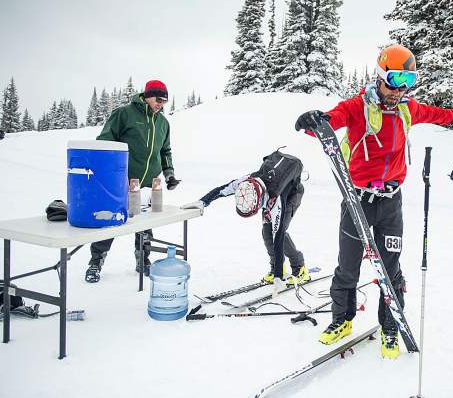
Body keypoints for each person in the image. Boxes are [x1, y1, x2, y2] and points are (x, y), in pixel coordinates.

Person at [295, 44, 453, 359]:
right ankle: (341, 321)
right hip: (356, 201)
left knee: (390, 269)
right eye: (394, 79)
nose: (399, 89)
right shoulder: (357, 107)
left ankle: (389, 328)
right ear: (380, 75)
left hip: (390, 203)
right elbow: (332, 119)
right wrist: (314, 121)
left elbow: (431, 112)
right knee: (348, 267)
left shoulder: (406, 109)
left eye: (408, 81)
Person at [85, 80, 181, 283]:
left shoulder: (162, 122)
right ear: (147, 95)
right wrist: (109, 175)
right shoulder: (125, 113)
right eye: (158, 99)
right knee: (110, 223)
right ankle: (95, 263)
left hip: (146, 184)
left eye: (164, 101)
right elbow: (105, 141)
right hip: (121, 182)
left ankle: (143, 261)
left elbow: (165, 151)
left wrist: (169, 173)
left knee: (144, 225)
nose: (161, 104)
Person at [180, 149, 310, 287]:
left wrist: (279, 276)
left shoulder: (277, 201)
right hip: (269, 193)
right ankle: (276, 267)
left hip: (291, 195)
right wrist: (202, 202)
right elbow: (222, 190)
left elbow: (278, 237)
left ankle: (300, 269)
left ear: (259, 201)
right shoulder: (245, 183)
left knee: (278, 232)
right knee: (267, 233)